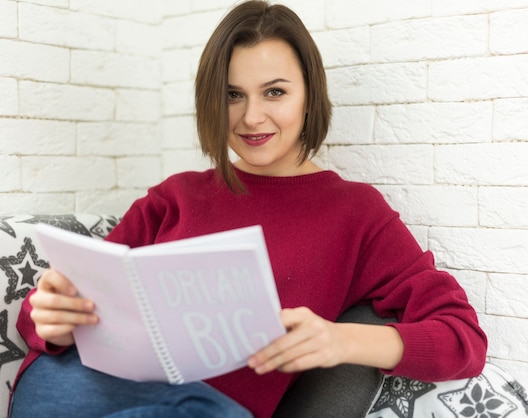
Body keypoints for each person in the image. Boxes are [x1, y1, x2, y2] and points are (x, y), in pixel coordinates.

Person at [10, 1, 488, 417]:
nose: (251, 117)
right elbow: (42, 319)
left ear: (309, 96)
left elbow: (462, 339)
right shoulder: (175, 197)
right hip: (75, 390)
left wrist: (341, 341)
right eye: (232, 95)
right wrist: (51, 314)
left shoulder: (356, 213)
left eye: (275, 92)